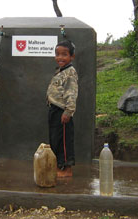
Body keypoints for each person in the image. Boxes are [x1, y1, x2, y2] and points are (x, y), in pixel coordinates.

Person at [46, 40, 78, 177]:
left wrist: (68, 111)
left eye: (64, 55)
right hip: (54, 110)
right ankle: (59, 166)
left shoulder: (70, 73)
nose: (60, 58)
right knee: (55, 140)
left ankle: (66, 169)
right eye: (57, 54)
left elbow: (71, 93)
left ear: (72, 57)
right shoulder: (60, 71)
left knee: (64, 141)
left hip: (62, 111)